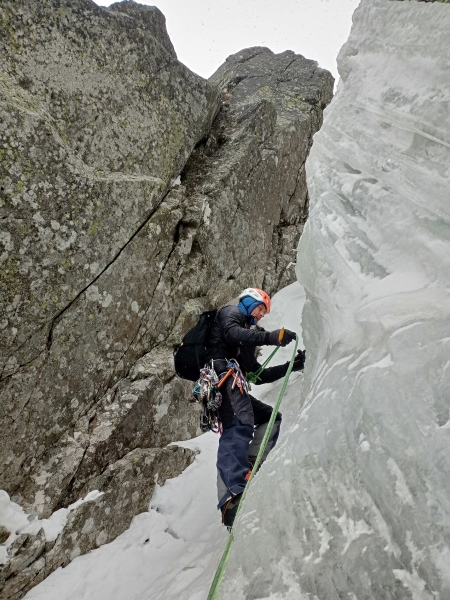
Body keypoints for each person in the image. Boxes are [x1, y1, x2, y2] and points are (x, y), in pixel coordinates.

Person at [204, 287, 306, 528]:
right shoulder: (230, 313)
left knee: (271, 418)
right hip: (223, 378)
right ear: (249, 302)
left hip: (233, 382)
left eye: (264, 312)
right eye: (261, 308)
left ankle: (249, 464)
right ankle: (231, 497)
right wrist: (271, 337)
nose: (262, 315)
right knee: (239, 423)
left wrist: (292, 365)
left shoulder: (245, 342)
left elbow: (258, 375)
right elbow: (232, 333)